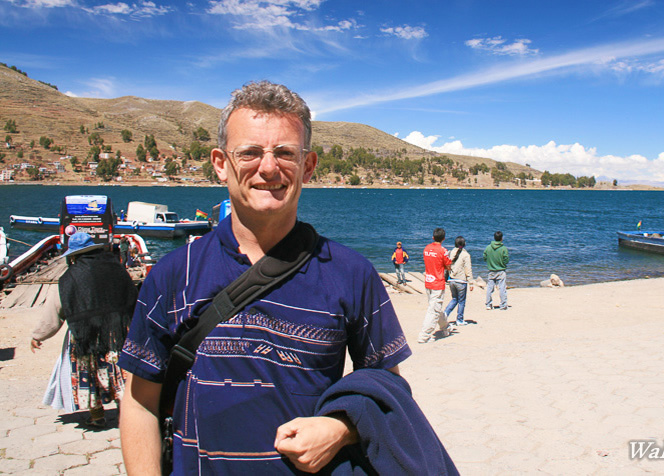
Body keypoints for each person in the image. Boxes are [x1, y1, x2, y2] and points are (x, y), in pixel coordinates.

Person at [117, 81, 412, 474]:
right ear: (221, 163)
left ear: (308, 166)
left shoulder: (351, 274)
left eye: (285, 153)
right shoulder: (173, 274)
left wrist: (341, 428)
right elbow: (139, 403)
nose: (269, 167)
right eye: (250, 152)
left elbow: (389, 390)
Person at [31, 232, 137, 428]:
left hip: (86, 334)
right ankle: (126, 413)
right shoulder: (117, 269)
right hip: (119, 332)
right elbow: (132, 298)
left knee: (90, 371)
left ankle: (96, 415)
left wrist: (38, 335)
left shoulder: (68, 279)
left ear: (73, 256)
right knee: (119, 372)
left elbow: (55, 311)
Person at [418, 227, 454, 343]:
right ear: (443, 238)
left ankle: (445, 327)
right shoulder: (443, 251)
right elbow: (448, 266)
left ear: (433, 237)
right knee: (433, 310)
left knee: (435, 307)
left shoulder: (426, 249)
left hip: (428, 281)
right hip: (437, 283)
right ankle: (424, 335)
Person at [444, 236, 473, 325]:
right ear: (464, 244)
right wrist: (471, 282)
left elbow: (447, 266)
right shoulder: (466, 255)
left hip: (451, 280)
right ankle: (459, 319)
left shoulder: (450, 252)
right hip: (461, 281)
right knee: (461, 301)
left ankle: (445, 314)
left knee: (454, 299)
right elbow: (468, 269)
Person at [483, 230, 510, 310]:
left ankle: (488, 304)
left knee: (490, 288)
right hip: (501, 270)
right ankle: (503, 304)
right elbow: (506, 259)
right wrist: (503, 263)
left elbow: (485, 257)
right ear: (501, 238)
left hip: (491, 270)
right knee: (502, 288)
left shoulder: (488, 248)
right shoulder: (503, 248)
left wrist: (489, 262)